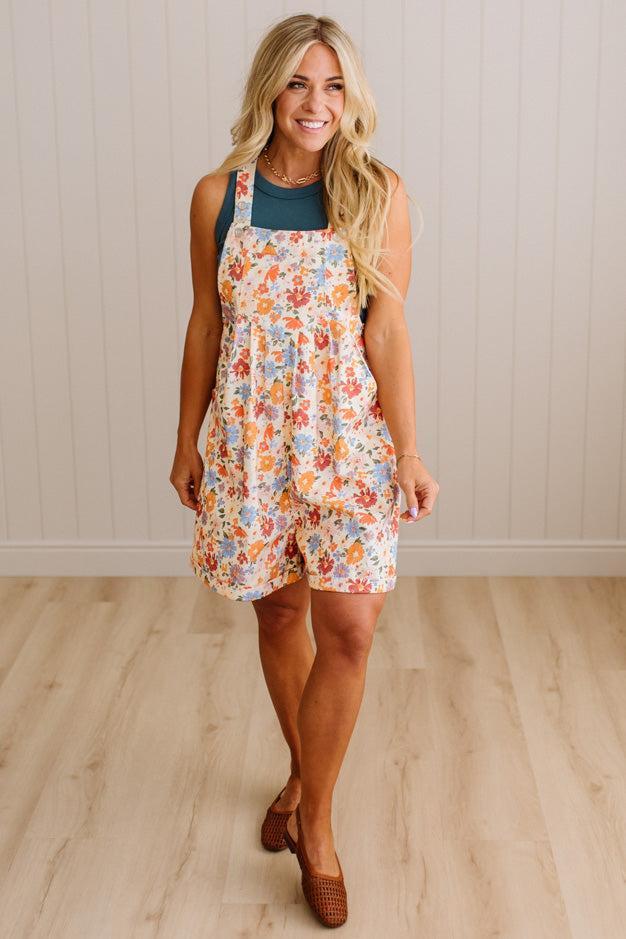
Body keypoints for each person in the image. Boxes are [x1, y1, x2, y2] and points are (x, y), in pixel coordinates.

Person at [170, 13, 439, 928]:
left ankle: (313, 819)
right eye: (297, 84)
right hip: (249, 443)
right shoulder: (221, 197)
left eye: (332, 86)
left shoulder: (377, 193)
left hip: (346, 442)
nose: (314, 104)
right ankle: (302, 775)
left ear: (349, 96)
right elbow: (206, 326)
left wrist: (406, 448)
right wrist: (186, 439)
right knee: (281, 611)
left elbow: (388, 329)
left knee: (351, 630)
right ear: (268, 92)